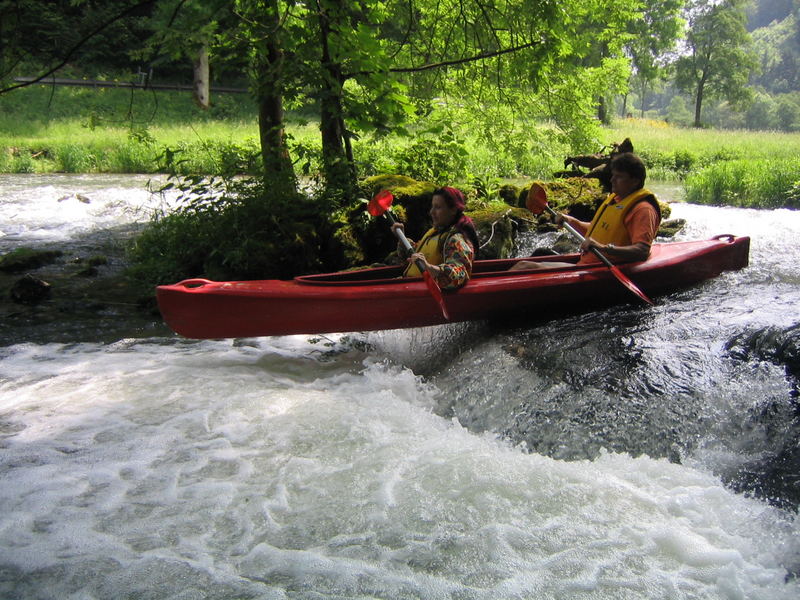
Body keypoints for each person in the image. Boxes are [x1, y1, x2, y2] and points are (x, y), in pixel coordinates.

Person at [511, 152, 661, 271]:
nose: (612, 180)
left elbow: (642, 250)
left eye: (619, 177)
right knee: (527, 262)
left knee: (525, 267)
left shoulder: (643, 210)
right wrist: (571, 221)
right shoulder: (616, 201)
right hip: (589, 265)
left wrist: (603, 248)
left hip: (603, 269)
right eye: (613, 175)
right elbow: (598, 231)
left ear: (635, 181)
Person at [391, 186, 479, 290]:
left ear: (453, 210)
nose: (431, 212)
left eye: (438, 207)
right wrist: (402, 239)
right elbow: (415, 255)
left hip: (422, 292)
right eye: (432, 207)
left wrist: (429, 267)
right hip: (410, 286)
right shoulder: (435, 233)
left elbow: (460, 274)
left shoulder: (457, 240)